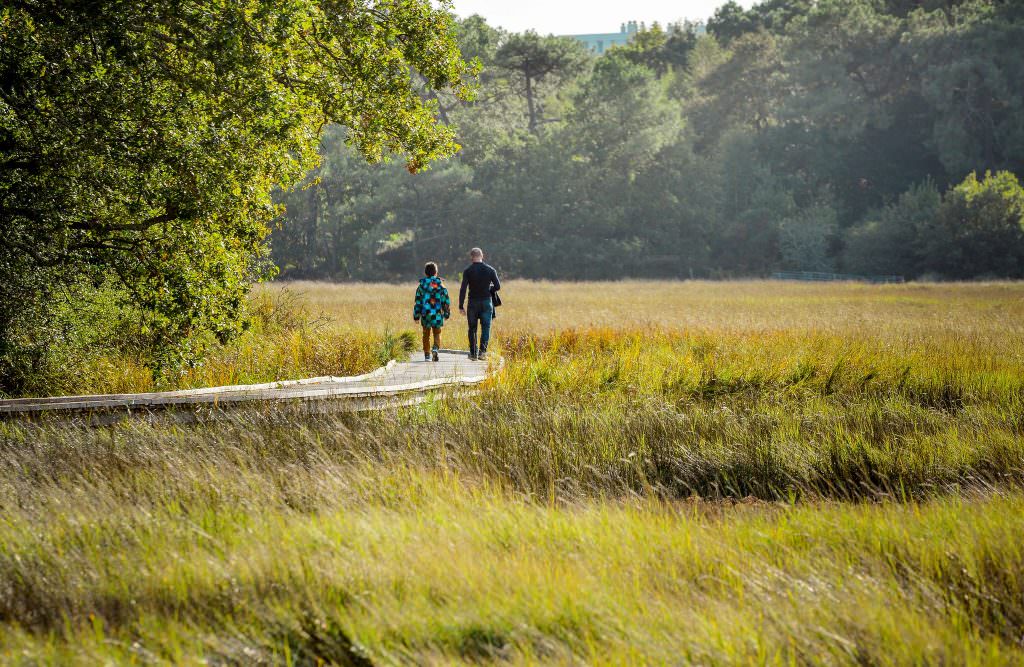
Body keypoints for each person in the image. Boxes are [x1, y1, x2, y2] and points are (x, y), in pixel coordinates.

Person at [459, 247, 501, 361]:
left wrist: (460, 306)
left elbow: (463, 289)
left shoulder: (468, 271)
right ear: (482, 256)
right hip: (486, 302)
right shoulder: (490, 270)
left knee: (472, 329)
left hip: (472, 302)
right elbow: (497, 286)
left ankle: (473, 354)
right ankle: (482, 353)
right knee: (486, 328)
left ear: (471, 257)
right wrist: (489, 289)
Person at [413, 262, 451, 362]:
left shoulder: (421, 286)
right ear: (436, 272)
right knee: (437, 333)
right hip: (437, 314)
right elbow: (446, 301)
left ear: (425, 273)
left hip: (425, 314)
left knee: (426, 334)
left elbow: (418, 302)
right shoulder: (441, 285)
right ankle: (435, 349)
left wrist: (416, 316)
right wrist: (447, 313)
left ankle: (427, 355)